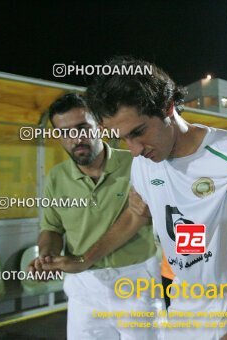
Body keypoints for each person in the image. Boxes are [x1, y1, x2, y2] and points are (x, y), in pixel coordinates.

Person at [86, 56, 227, 340]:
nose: (134, 149)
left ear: (168, 107)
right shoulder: (143, 164)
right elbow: (148, 215)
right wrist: (83, 258)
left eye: (138, 132)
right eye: (122, 139)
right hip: (185, 310)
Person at [26, 93, 161, 340]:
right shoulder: (56, 178)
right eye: (65, 132)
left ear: (100, 126)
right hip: (84, 287)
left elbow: (137, 217)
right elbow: (52, 228)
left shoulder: (137, 164)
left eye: (82, 127)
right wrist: (47, 255)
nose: (76, 138)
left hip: (135, 280)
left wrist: (83, 260)